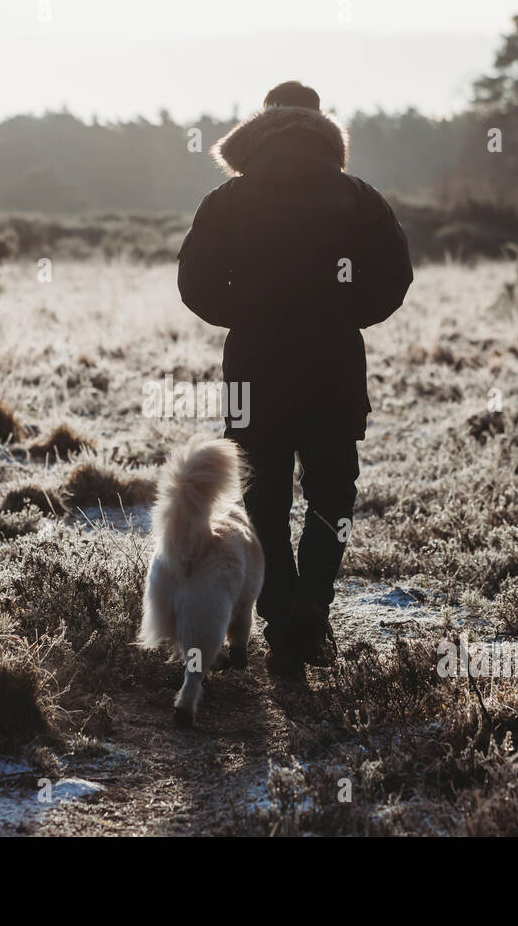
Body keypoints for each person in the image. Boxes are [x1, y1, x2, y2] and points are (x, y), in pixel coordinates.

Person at [176, 80, 414, 678]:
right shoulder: (357, 197)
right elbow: (395, 276)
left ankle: (282, 618)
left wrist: (250, 314)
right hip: (333, 369)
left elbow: (194, 285)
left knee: (263, 499)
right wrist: (341, 313)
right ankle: (313, 610)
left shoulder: (227, 200)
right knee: (334, 497)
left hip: (255, 370)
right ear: (321, 126)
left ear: (261, 124)